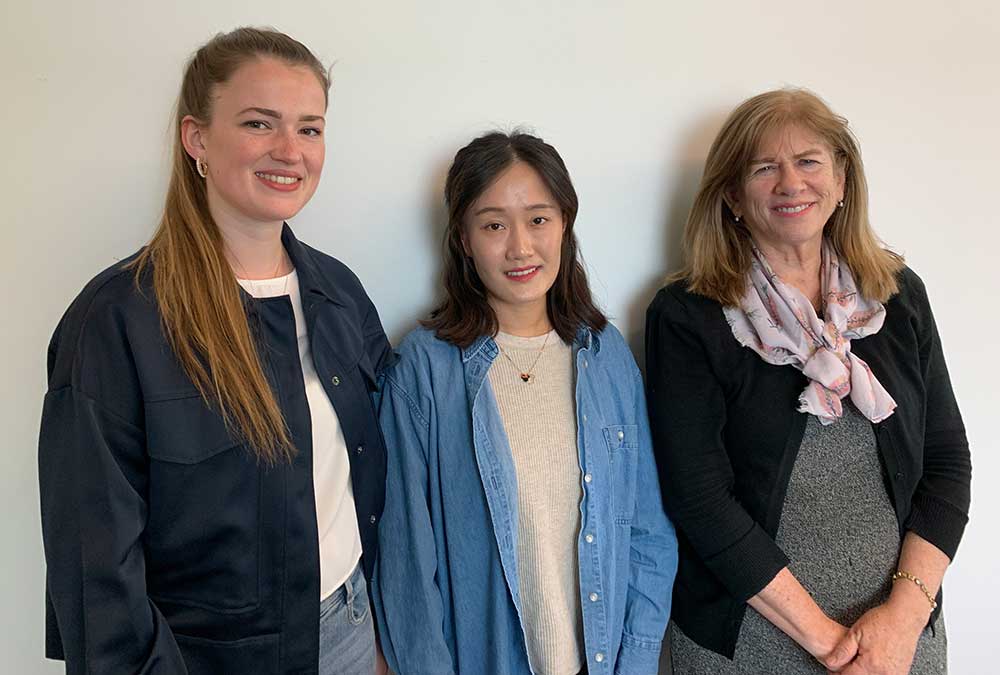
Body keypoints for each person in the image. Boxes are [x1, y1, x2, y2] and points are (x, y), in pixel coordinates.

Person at [38, 27, 392, 674]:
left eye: (310, 129)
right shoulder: (117, 321)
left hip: (348, 631)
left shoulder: (340, 293)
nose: (290, 150)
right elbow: (96, 576)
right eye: (261, 123)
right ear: (197, 138)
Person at [645, 88, 972, 674]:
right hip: (751, 646)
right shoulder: (688, 316)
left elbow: (947, 464)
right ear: (733, 198)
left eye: (809, 161)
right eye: (763, 168)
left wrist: (900, 622)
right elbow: (698, 499)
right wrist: (833, 645)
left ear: (842, 181)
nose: (790, 183)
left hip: (899, 642)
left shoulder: (898, 295)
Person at [372, 131, 677, 674]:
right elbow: (406, 562)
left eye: (538, 219)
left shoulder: (603, 354)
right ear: (464, 239)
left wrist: (636, 661)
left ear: (564, 224)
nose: (520, 247)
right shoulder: (425, 368)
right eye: (493, 225)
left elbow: (648, 530)